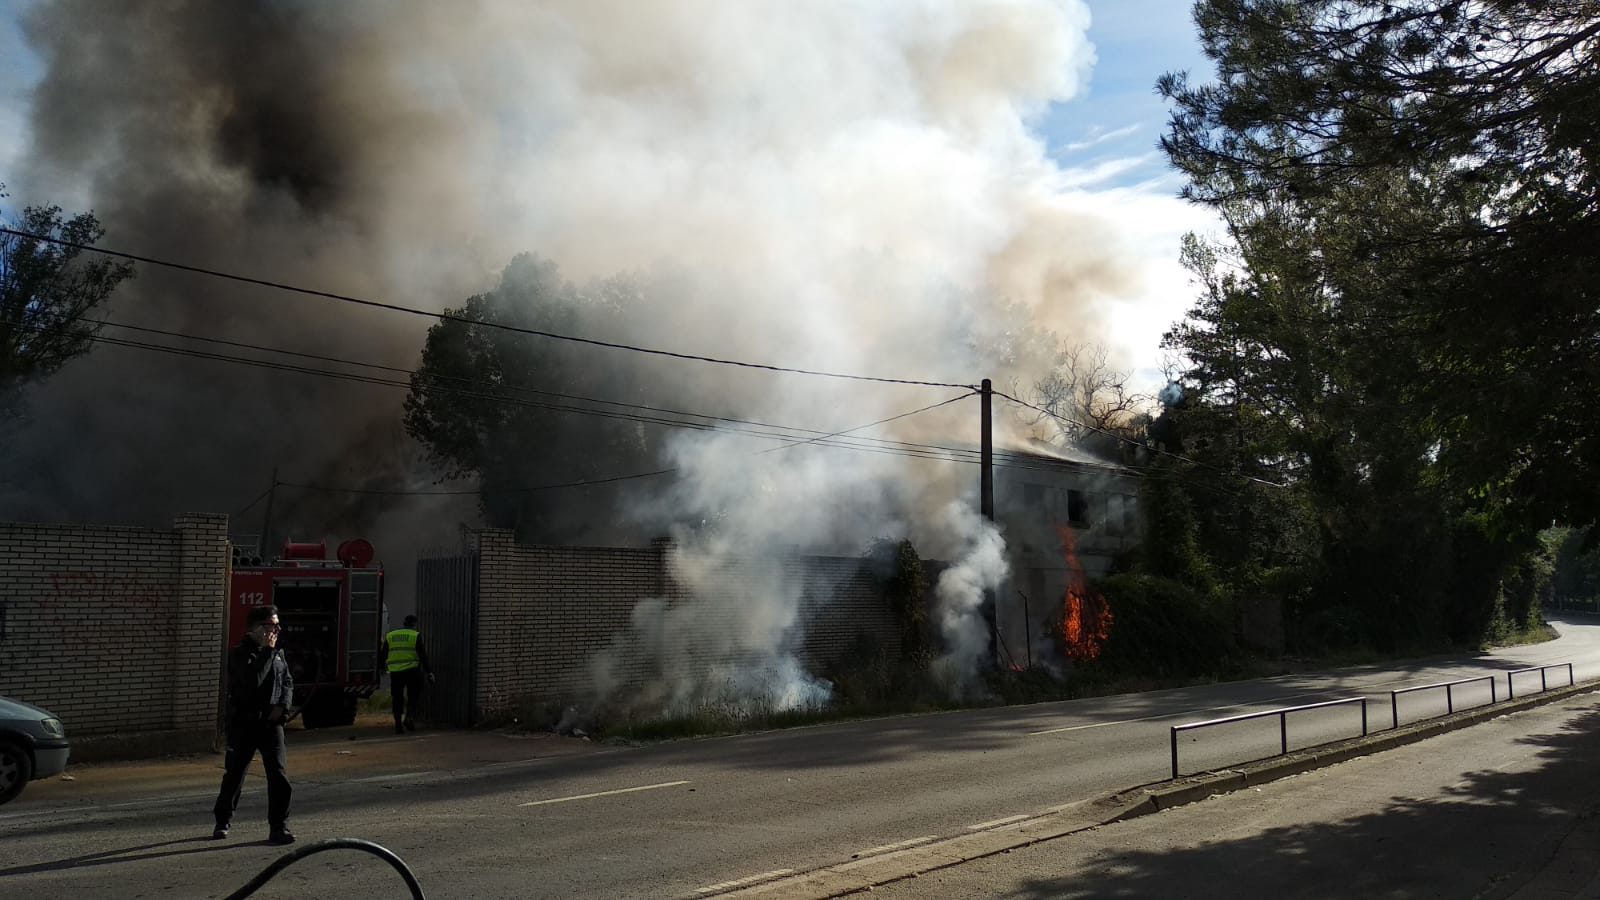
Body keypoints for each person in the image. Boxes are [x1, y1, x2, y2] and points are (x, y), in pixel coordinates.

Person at [212, 604, 295, 844]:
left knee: (279, 775)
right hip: (245, 723)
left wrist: (283, 709)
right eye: (272, 625)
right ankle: (222, 821)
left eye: (278, 625)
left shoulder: (278, 653)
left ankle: (279, 827)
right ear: (256, 628)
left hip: (271, 725)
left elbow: (287, 681)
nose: (276, 630)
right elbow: (252, 682)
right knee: (235, 774)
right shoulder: (241, 653)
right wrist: (267, 652)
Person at [382, 615, 434, 734]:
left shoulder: (391, 636)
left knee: (397, 698)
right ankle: (409, 717)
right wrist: (429, 672)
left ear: (404, 623)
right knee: (414, 694)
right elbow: (423, 656)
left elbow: (383, 654)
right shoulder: (415, 635)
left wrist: (381, 667)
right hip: (412, 671)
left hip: (395, 672)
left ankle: (398, 725)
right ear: (414, 624)